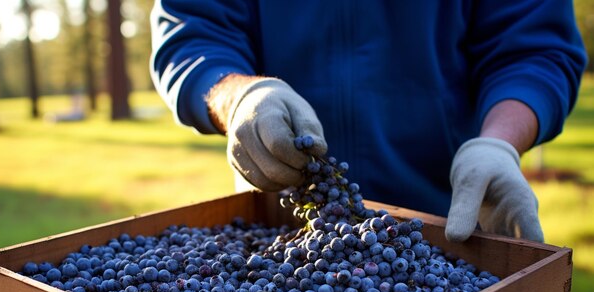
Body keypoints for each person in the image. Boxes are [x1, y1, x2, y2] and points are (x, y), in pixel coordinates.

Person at [149, 1, 587, 243]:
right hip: (277, 229)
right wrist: (241, 96)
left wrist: (497, 144)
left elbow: (534, 50)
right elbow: (193, 37)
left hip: (445, 227)